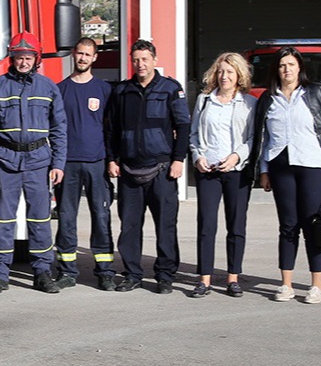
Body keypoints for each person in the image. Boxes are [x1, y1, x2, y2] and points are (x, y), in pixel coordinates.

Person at [253, 46, 321, 303]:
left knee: (312, 225)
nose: (287, 70)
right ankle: (286, 284)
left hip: (313, 166)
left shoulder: (316, 92)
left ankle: (317, 285)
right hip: (280, 167)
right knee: (287, 226)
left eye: (291, 65)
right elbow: (263, 139)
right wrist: (264, 171)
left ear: (300, 68)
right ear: (277, 69)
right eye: (283, 65)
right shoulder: (268, 99)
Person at [0, 32, 67, 294]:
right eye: (18, 57)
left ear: (36, 59)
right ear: (11, 58)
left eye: (28, 57)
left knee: (39, 220)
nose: (23, 62)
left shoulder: (48, 88)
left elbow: (59, 128)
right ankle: (0, 275)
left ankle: (42, 273)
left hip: (39, 163)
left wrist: (58, 163)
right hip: (5, 162)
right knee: (2, 220)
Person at [105, 39, 191, 294]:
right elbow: (111, 129)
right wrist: (111, 159)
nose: (140, 64)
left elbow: (183, 126)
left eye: (145, 59)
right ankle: (132, 274)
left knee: (165, 225)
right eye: (136, 60)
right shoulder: (121, 91)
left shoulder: (170, 89)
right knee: (129, 227)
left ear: (154, 60)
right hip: (129, 171)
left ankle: (165, 276)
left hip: (162, 169)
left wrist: (178, 159)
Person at [188, 52, 256, 298]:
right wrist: (198, 157)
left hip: (236, 171)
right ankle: (203, 279)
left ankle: (233, 278)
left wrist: (236, 157)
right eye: (220, 71)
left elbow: (252, 139)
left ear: (239, 75)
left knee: (236, 225)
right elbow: (193, 134)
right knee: (206, 224)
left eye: (229, 71)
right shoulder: (205, 100)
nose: (224, 76)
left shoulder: (249, 103)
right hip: (208, 171)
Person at [54, 37, 116, 291]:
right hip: (67, 163)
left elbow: (111, 129)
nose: (83, 58)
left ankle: (105, 271)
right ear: (73, 54)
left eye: (87, 54)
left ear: (95, 58)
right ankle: (67, 270)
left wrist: (112, 160)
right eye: (79, 53)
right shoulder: (59, 89)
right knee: (67, 218)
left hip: (97, 163)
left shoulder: (104, 90)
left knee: (101, 216)